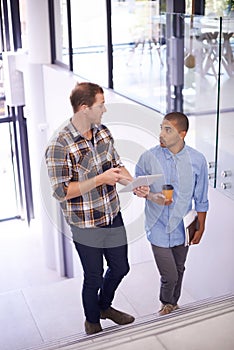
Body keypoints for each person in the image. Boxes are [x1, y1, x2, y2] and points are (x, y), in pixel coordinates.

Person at [45, 82, 146, 335]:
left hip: (111, 214)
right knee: (94, 277)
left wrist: (133, 183)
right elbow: (61, 191)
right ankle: (93, 322)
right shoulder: (60, 145)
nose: (105, 110)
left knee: (121, 267)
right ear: (84, 108)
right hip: (84, 224)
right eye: (101, 105)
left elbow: (116, 165)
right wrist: (99, 180)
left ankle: (104, 307)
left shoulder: (103, 132)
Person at [134, 112, 209, 316]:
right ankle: (166, 303)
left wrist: (201, 227)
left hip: (183, 227)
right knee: (170, 275)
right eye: (161, 128)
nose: (161, 134)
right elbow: (137, 184)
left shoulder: (198, 160)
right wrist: (145, 193)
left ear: (182, 134)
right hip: (157, 226)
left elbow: (201, 198)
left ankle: (173, 304)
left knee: (180, 268)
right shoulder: (148, 157)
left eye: (168, 130)